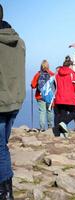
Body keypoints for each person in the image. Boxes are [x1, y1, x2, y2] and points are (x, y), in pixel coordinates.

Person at [0, 4, 26, 199]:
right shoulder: (19, 42)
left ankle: (5, 192)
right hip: (14, 101)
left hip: (1, 102)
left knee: (0, 148)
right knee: (2, 145)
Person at [53, 56, 75, 137]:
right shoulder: (72, 74)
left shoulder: (57, 74)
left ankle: (61, 133)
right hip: (70, 99)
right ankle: (63, 124)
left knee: (62, 115)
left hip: (59, 98)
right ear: (70, 65)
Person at [31, 60, 55, 132]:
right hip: (49, 96)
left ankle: (42, 128)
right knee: (49, 111)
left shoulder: (38, 74)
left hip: (40, 96)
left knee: (42, 111)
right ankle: (50, 127)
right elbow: (56, 85)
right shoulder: (52, 74)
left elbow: (33, 85)